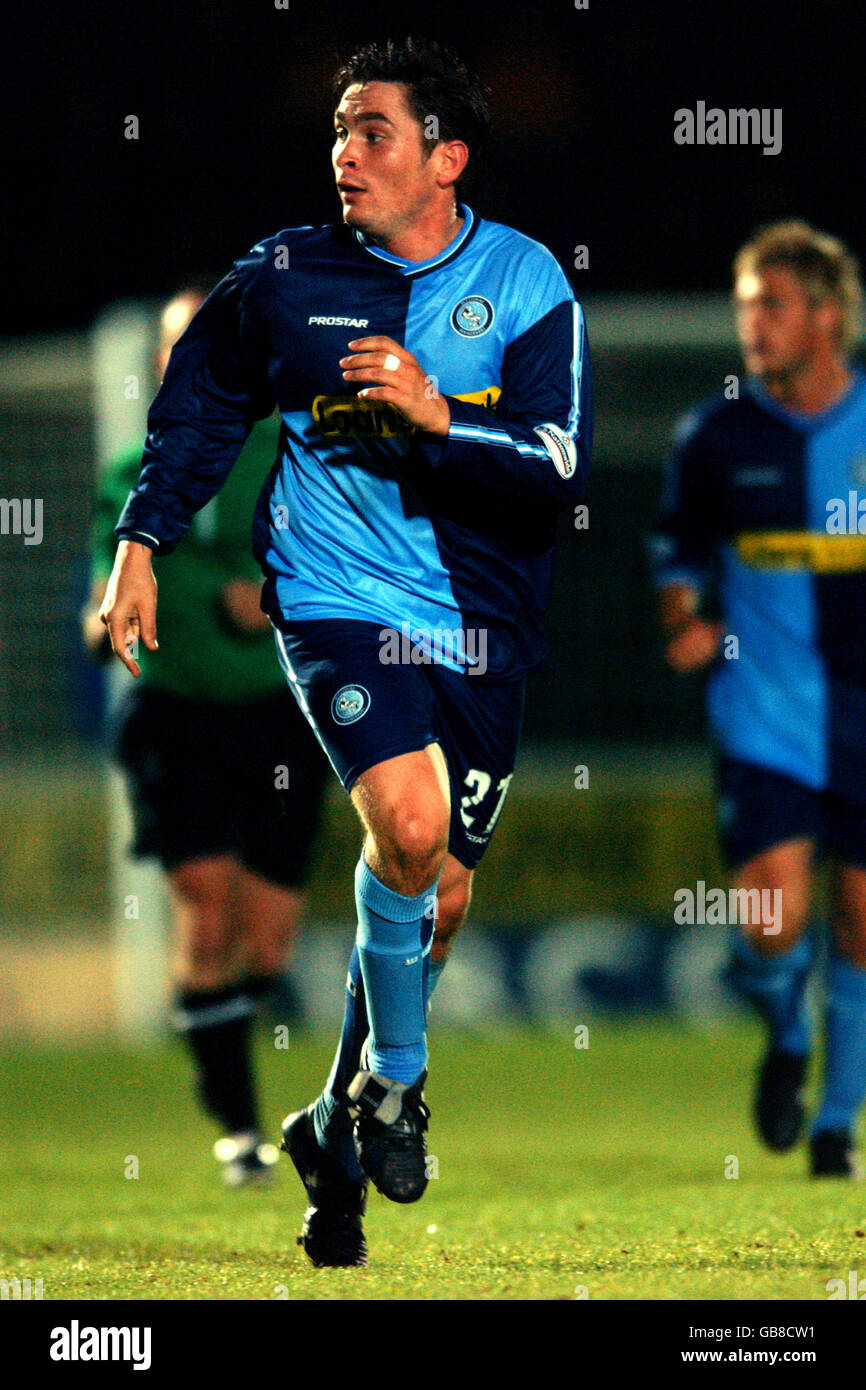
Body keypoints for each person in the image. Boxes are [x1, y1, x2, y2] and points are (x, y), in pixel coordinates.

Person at [98, 35, 592, 1266]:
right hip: (332, 598)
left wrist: (434, 421)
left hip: (481, 617)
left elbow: (555, 469)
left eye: (372, 129)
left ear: (446, 156)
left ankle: (332, 1125)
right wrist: (142, 541)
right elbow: (201, 406)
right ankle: (402, 1086)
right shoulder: (282, 276)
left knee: (437, 894)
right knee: (410, 831)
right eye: (337, 130)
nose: (344, 152)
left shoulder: (527, 283)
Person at [84, 289, 330, 1186]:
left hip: (276, 719)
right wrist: (100, 622)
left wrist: (267, 599)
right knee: (206, 911)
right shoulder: (130, 472)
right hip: (176, 718)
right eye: (175, 347)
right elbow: (99, 595)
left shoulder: (294, 457)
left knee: (264, 945)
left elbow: (343, 584)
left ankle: (223, 1047)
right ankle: (237, 1129)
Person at [651, 220, 866, 1178]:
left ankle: (836, 1124)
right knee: (770, 924)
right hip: (764, 713)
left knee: (862, 922)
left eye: (770, 306)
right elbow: (676, 543)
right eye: (745, 308)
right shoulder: (716, 433)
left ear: (826, 317)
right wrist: (684, 612)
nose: (752, 326)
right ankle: (785, 1034)